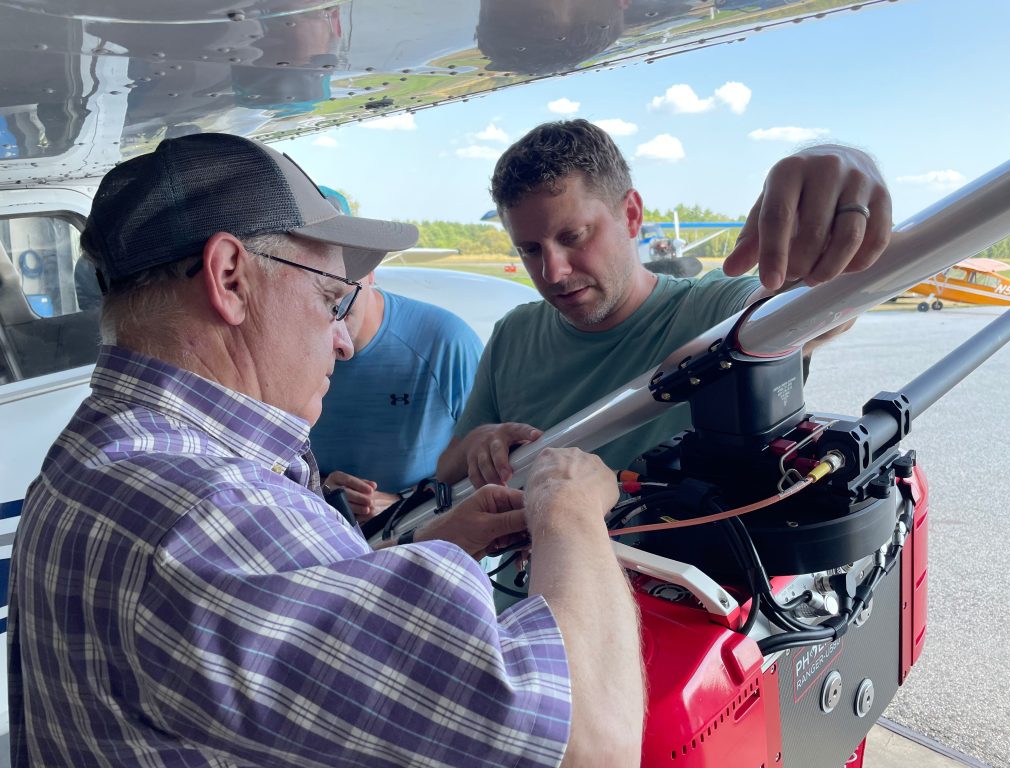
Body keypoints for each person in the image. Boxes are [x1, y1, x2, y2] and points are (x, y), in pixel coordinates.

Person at [7, 132, 644, 767]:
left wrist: (425, 551)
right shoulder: (218, 513)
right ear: (229, 278)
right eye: (329, 299)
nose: (342, 339)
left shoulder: (95, 451)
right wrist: (568, 506)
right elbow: (588, 742)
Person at [436, 118, 892, 487]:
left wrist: (843, 166)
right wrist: (481, 443)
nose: (552, 271)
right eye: (530, 250)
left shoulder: (709, 312)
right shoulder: (514, 334)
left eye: (572, 236)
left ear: (631, 215)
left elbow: (812, 307)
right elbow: (445, 472)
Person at [311, 268, 483, 522]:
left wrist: (404, 506)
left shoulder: (447, 342)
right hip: (317, 526)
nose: (340, 345)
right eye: (324, 300)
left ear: (371, 272)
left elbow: (487, 468)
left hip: (425, 531)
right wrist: (319, 488)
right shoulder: (284, 344)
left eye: (344, 302)